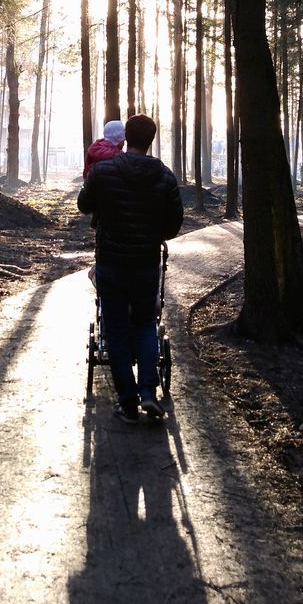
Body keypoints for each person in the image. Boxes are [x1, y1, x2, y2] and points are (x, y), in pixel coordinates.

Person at [78, 113, 183, 423]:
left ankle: (127, 402)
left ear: (125, 137)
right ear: (150, 140)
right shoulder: (164, 176)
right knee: (145, 325)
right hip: (145, 264)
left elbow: (84, 205)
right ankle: (149, 393)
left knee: (117, 332)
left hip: (111, 263)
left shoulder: (104, 171)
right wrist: (151, 231)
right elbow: (174, 225)